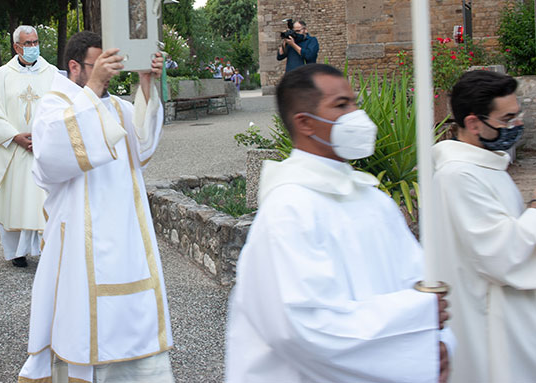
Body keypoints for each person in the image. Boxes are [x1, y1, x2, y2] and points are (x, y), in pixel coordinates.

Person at [226, 64, 453, 383]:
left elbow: (417, 280)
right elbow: (303, 328)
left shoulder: (374, 200)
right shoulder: (287, 211)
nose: (356, 115)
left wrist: (433, 345)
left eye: (354, 102)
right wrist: (417, 322)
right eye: (341, 105)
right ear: (305, 123)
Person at [18, 32, 172, 383]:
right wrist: (95, 88)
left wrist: (147, 84)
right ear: (75, 66)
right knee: (82, 317)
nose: (108, 73)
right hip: (78, 237)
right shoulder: (53, 105)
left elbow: (143, 148)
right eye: (98, 66)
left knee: (130, 314)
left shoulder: (117, 106)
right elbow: (52, 159)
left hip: (126, 232)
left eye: (110, 65)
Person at [431, 70, 536, 383]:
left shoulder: (487, 164)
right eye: (506, 119)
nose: (514, 126)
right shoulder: (458, 176)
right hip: (490, 319)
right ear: (474, 123)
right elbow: (502, 254)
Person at [0, 25, 56, 267]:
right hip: (14, 149)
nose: (33, 47)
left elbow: (60, 108)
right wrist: (15, 137)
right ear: (16, 47)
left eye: (35, 42)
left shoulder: (52, 73)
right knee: (12, 199)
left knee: (43, 200)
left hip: (43, 148)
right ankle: (16, 253)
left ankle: (48, 250)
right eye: (28, 43)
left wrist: (43, 136)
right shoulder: (3, 74)